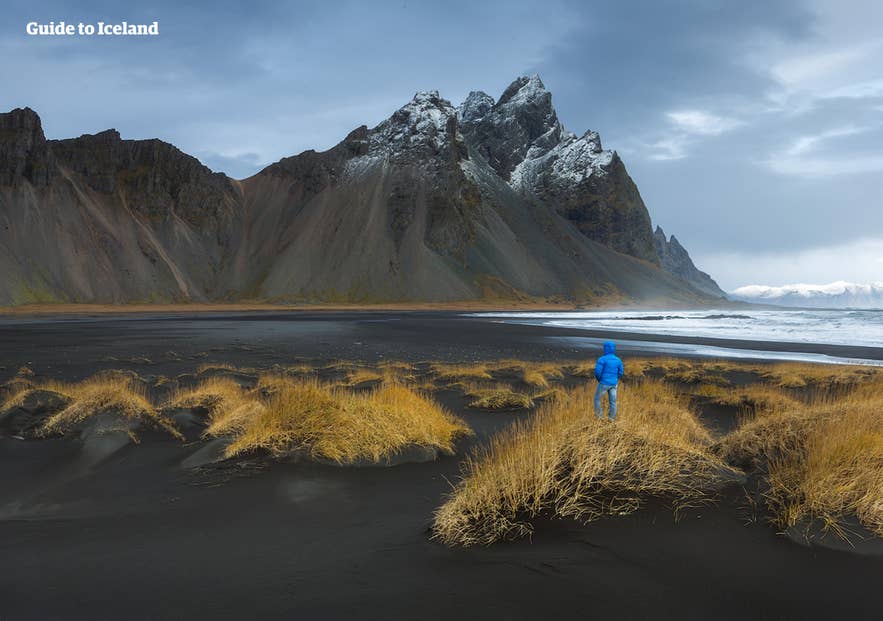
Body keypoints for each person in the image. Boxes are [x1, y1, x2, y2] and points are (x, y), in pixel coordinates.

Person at [594, 340, 624, 421]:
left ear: (605, 348)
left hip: (604, 382)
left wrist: (600, 379)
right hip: (614, 383)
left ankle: (599, 418)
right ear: (613, 349)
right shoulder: (618, 360)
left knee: (597, 399)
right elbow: (621, 372)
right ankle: (611, 419)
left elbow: (597, 372)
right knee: (613, 401)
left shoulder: (602, 359)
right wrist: (615, 378)